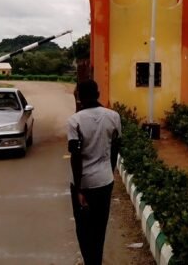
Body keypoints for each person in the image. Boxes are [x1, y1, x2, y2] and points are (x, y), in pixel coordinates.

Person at [67, 80, 122, 265]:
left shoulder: (75, 121)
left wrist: (79, 189)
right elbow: (115, 148)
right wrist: (111, 172)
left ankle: (89, 262)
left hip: (83, 183)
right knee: (100, 228)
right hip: (105, 181)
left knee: (83, 230)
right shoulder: (114, 117)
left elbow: (75, 155)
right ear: (98, 93)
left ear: (79, 97)